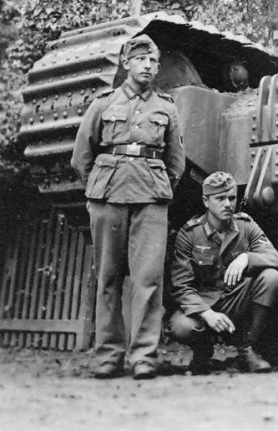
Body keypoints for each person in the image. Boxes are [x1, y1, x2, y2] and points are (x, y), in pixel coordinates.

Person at [71, 34, 185, 380]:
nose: (148, 66)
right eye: (140, 60)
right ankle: (109, 356)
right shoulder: (102, 103)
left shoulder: (167, 107)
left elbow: (176, 162)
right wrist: (97, 193)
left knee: (148, 280)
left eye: (153, 61)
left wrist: (157, 188)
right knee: (108, 279)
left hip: (150, 201)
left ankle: (143, 357)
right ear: (126, 64)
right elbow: (82, 157)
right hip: (107, 199)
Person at [167, 171, 278, 375]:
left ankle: (247, 350)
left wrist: (248, 257)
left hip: (235, 300)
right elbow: (180, 286)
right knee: (181, 325)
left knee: (272, 278)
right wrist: (207, 313)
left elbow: (277, 260)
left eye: (231, 198)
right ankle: (203, 352)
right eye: (220, 198)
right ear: (206, 201)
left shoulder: (246, 226)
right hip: (204, 305)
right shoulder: (189, 234)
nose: (228, 204)